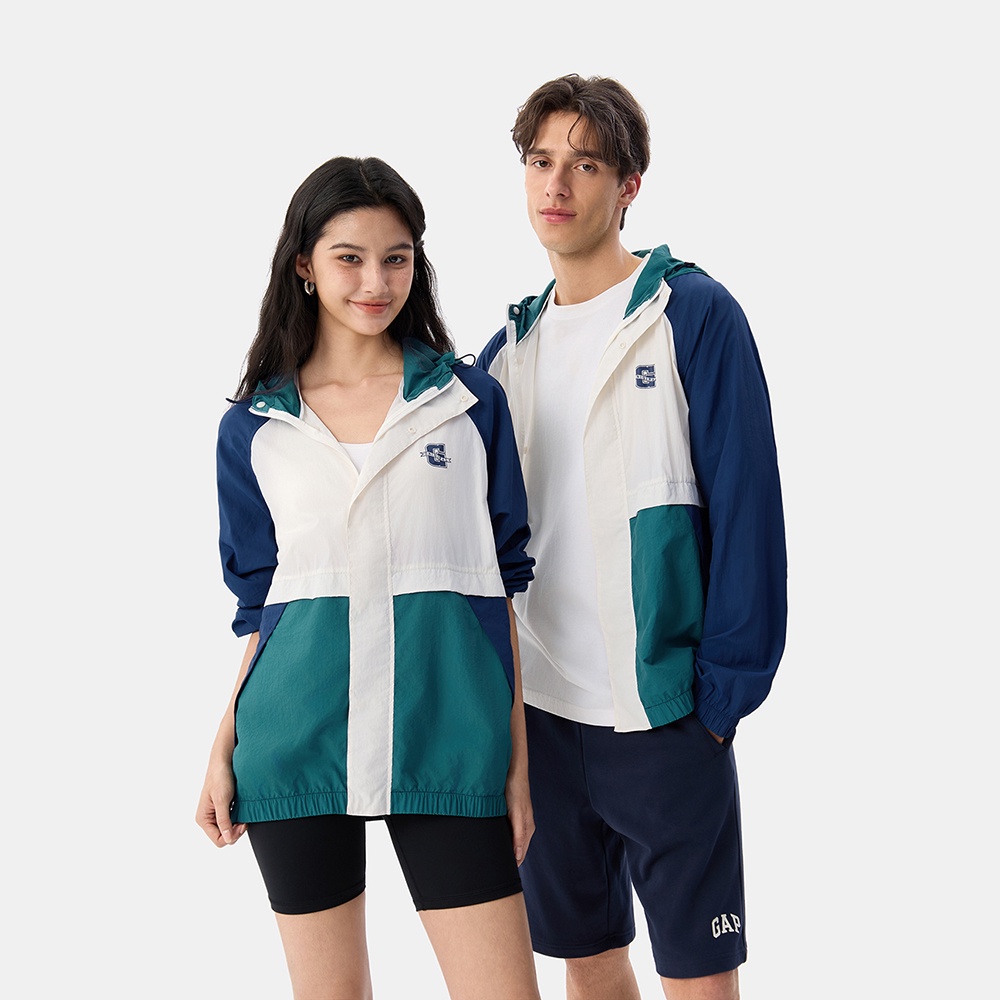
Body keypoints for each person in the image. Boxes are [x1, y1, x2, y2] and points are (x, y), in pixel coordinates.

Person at [195, 155, 542, 1000]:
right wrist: (221, 746)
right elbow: (262, 609)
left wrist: (518, 763)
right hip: (294, 746)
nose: (376, 282)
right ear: (304, 266)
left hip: (450, 738)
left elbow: (503, 587)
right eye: (349, 257)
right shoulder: (254, 428)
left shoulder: (468, 404)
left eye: (396, 257)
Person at [476, 75, 787, 1000]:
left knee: (700, 979)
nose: (556, 184)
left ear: (629, 186)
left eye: (585, 164)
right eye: (540, 161)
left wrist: (719, 703)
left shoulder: (692, 315)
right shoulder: (505, 356)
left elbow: (749, 509)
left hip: (666, 716)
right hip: (544, 722)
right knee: (588, 963)